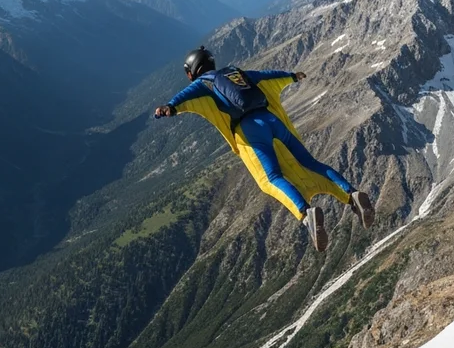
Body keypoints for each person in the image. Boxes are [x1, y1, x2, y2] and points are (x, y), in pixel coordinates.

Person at [153, 46, 375, 252]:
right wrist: (291, 76)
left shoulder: (204, 82)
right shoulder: (235, 73)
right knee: (310, 163)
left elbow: (185, 96)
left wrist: (169, 107)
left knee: (270, 178)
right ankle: (351, 193)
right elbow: (266, 75)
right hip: (272, 120)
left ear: (192, 71)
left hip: (250, 130)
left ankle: (306, 213)